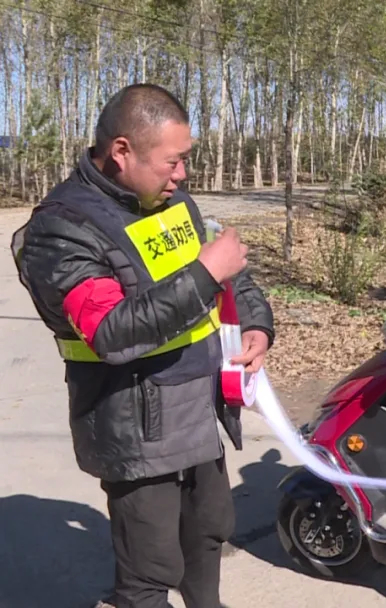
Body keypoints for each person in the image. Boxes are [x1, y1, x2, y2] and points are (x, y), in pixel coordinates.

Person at [9, 84, 274, 608]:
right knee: (151, 572)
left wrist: (258, 326)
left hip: (198, 412)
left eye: (185, 160)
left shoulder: (171, 199)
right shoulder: (62, 231)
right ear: (122, 151)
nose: (182, 175)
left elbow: (230, 273)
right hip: (134, 429)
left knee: (207, 536)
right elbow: (112, 332)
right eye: (171, 162)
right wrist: (205, 273)